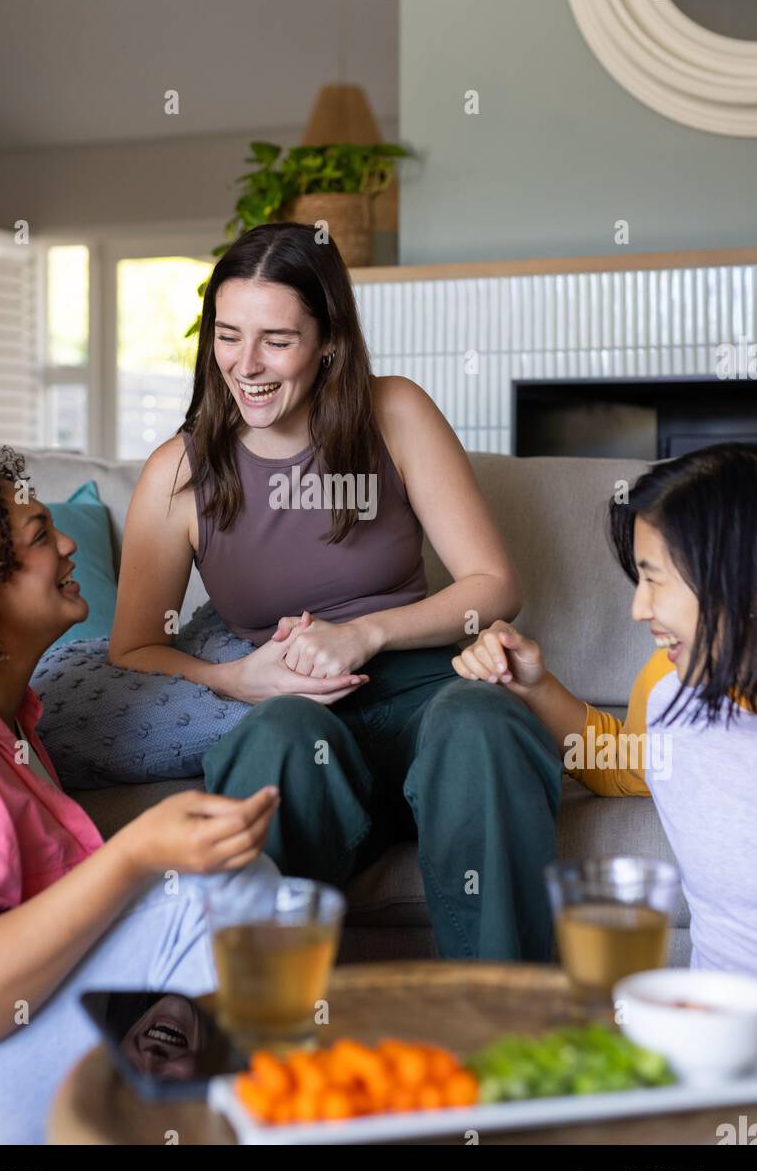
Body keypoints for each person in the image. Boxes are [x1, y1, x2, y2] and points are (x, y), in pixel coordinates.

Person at [109, 222, 565, 961]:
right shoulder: (177, 474)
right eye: (227, 336)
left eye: (276, 341)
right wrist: (234, 678)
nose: (245, 365)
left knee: (482, 724)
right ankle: (260, 1043)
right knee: (277, 740)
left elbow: (494, 584)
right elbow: (132, 650)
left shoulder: (395, 413)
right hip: (303, 720)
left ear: (327, 340)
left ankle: (510, 1035)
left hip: (429, 698)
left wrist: (367, 633)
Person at [0, 449, 281, 1144]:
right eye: (41, 536)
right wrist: (132, 856)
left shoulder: (8, 722)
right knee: (211, 896)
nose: (69, 542)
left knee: (235, 880)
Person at [452, 442, 757, 976]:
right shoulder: (667, 686)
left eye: (656, 579)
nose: (639, 610)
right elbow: (623, 764)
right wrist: (536, 685)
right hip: (712, 1023)